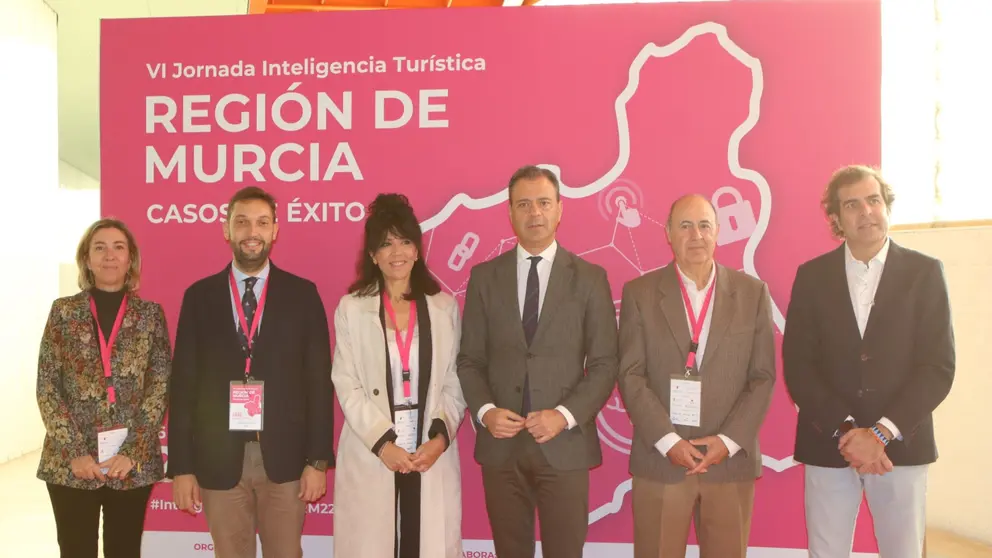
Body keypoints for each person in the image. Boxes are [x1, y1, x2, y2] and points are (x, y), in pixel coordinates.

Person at [782, 165, 955, 558]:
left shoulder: (925, 272)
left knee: (904, 551)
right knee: (825, 551)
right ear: (837, 219)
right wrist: (848, 432)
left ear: (887, 206)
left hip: (901, 446)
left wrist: (878, 435)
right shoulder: (811, 276)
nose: (866, 212)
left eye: (874, 200)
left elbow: (938, 367)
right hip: (829, 443)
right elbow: (799, 366)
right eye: (852, 205)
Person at [457, 165, 619, 558]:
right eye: (524, 204)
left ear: (560, 209)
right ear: (509, 212)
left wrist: (563, 415)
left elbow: (604, 363)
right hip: (502, 446)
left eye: (544, 203)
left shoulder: (590, 278)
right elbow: (469, 360)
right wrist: (485, 411)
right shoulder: (484, 277)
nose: (534, 214)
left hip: (563, 444)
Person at [167, 186, 335, 558]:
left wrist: (318, 460)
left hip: (287, 459)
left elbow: (319, 384)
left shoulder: (303, 295)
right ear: (226, 230)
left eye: (261, 222)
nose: (251, 232)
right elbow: (183, 386)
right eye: (241, 222)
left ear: (276, 230)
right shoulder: (199, 296)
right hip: (217, 458)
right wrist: (181, 467)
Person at [616, 194, 776, 558]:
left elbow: (763, 377)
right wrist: (668, 441)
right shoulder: (639, 294)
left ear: (718, 232)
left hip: (729, 461)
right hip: (661, 460)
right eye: (685, 226)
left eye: (704, 225)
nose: (696, 235)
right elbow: (630, 375)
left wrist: (729, 441)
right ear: (668, 234)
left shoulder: (752, 293)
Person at [331, 193, 467, 558]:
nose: (397, 252)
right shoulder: (351, 309)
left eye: (405, 241)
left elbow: (456, 380)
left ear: (418, 250)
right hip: (373, 451)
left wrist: (440, 438)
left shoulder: (444, 307)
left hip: (429, 451)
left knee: (427, 544)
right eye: (386, 243)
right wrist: (383, 444)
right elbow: (347, 383)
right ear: (373, 254)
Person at [36, 218, 172, 558]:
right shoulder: (63, 312)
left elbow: (160, 386)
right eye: (100, 247)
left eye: (118, 247)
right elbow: (47, 386)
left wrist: (134, 451)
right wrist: (74, 452)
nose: (109, 256)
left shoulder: (150, 315)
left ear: (130, 260)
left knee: (124, 550)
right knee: (76, 549)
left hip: (130, 462)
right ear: (86, 259)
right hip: (71, 463)